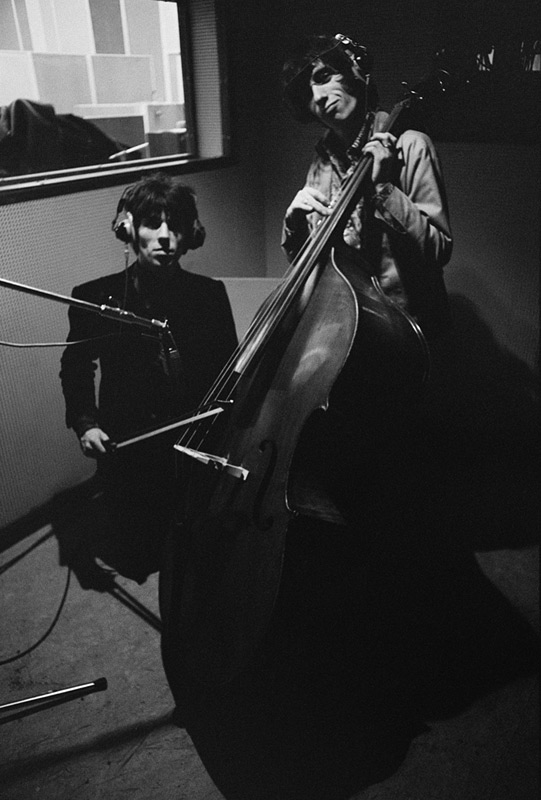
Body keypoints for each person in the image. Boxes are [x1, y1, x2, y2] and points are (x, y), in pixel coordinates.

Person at [60, 173, 238, 583]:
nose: (164, 237)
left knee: (199, 546)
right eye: (152, 225)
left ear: (190, 233)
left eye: (175, 226)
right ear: (127, 229)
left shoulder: (209, 294)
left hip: (192, 439)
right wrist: (86, 424)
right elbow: (76, 366)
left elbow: (227, 369)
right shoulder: (93, 298)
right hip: (129, 440)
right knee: (139, 551)